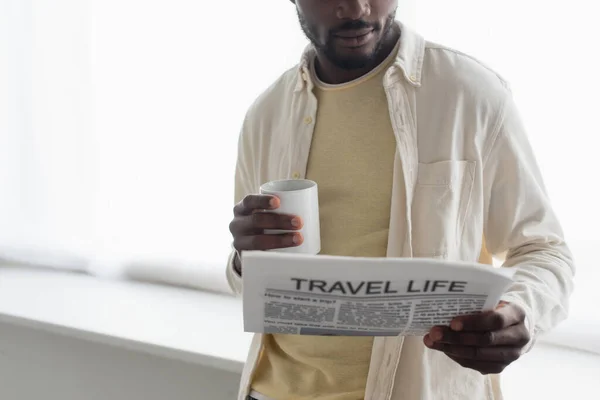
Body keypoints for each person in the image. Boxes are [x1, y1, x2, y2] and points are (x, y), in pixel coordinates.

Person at [227, 1, 575, 399]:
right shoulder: (266, 115)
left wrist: (520, 310)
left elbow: (545, 251)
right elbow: (251, 285)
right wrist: (245, 259)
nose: (357, 8)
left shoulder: (470, 95)